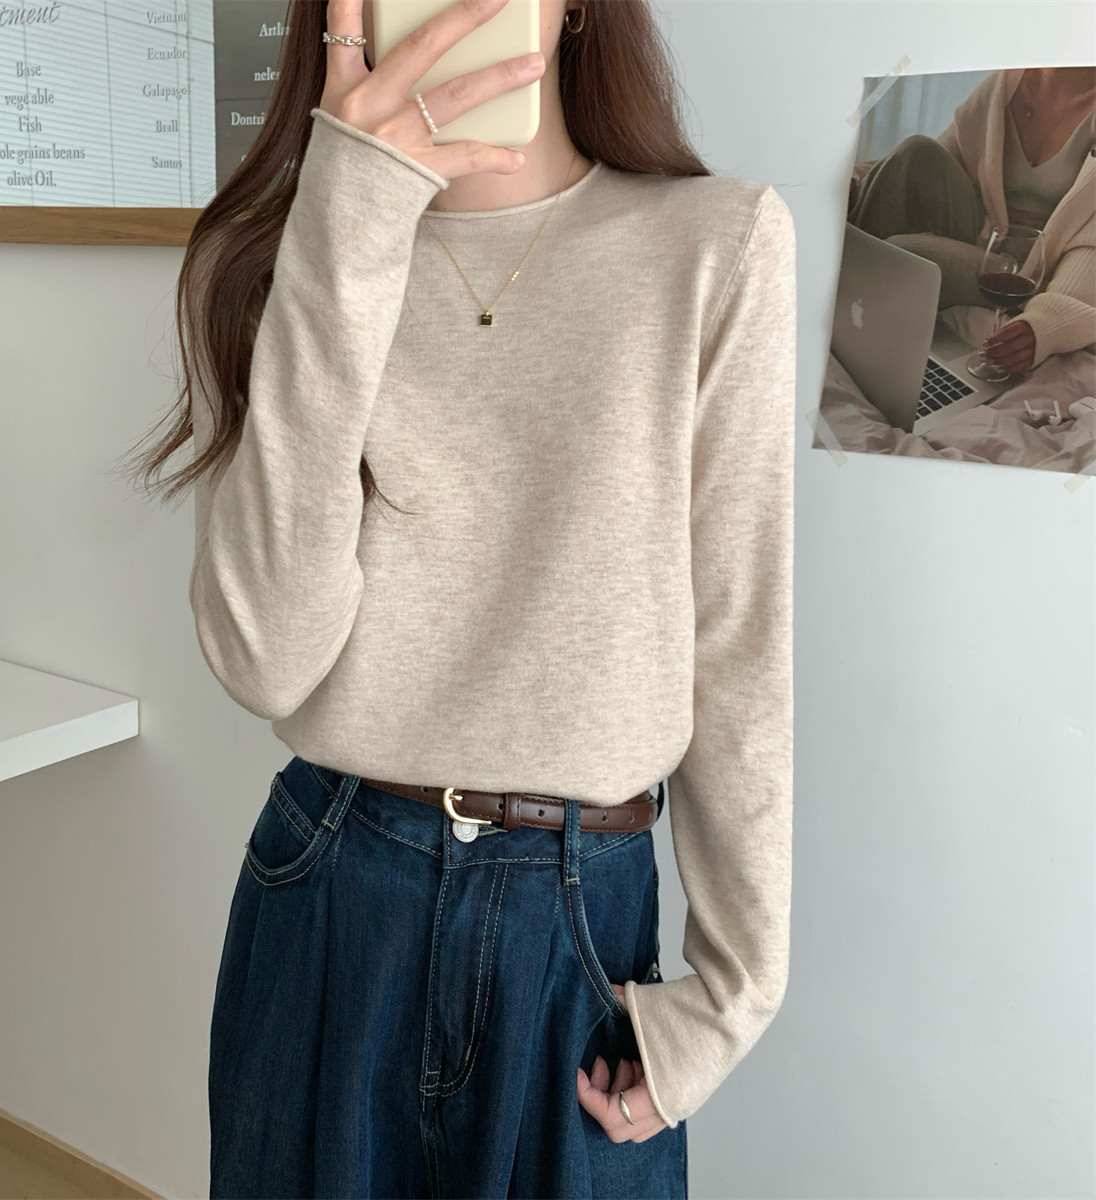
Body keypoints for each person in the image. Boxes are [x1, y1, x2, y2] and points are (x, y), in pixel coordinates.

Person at [129, 0, 796, 1194]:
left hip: (580, 922)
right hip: (337, 887)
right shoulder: (287, 258)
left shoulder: (718, 243)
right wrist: (347, 218)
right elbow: (263, 657)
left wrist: (737, 995)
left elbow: (738, 639)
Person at [847, 66, 1096, 377]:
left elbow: (1092, 244)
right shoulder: (1007, 82)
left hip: (1034, 273)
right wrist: (853, 184)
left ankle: (842, 304)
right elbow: (931, 162)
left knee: (902, 250)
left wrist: (1046, 320)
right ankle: (828, 285)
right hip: (985, 234)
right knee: (917, 149)